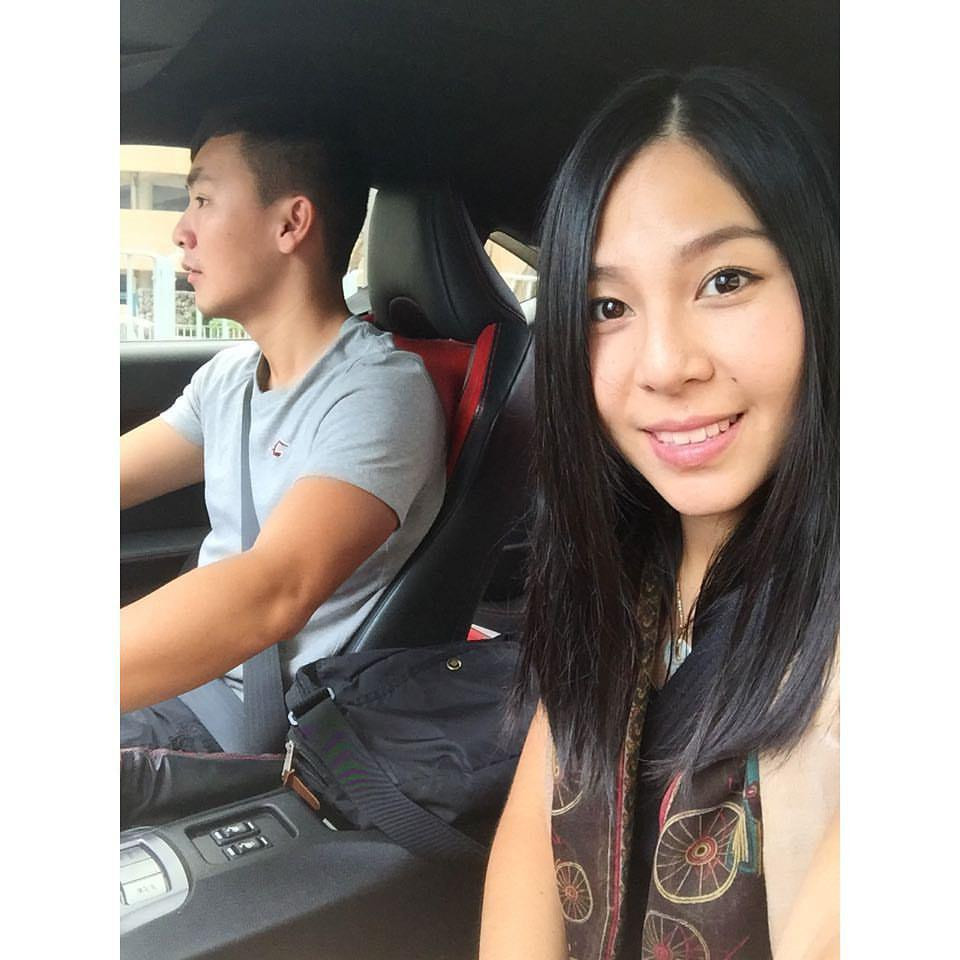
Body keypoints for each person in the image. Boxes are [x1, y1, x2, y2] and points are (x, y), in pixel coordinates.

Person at [479, 68, 839, 959]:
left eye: (726, 279)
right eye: (607, 307)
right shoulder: (615, 572)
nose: (665, 364)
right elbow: (527, 867)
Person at [120, 102, 446, 753]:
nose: (181, 231)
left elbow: (274, 591)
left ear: (291, 223)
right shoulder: (228, 380)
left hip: (241, 725)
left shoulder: (379, 391)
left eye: (203, 200)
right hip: (178, 684)